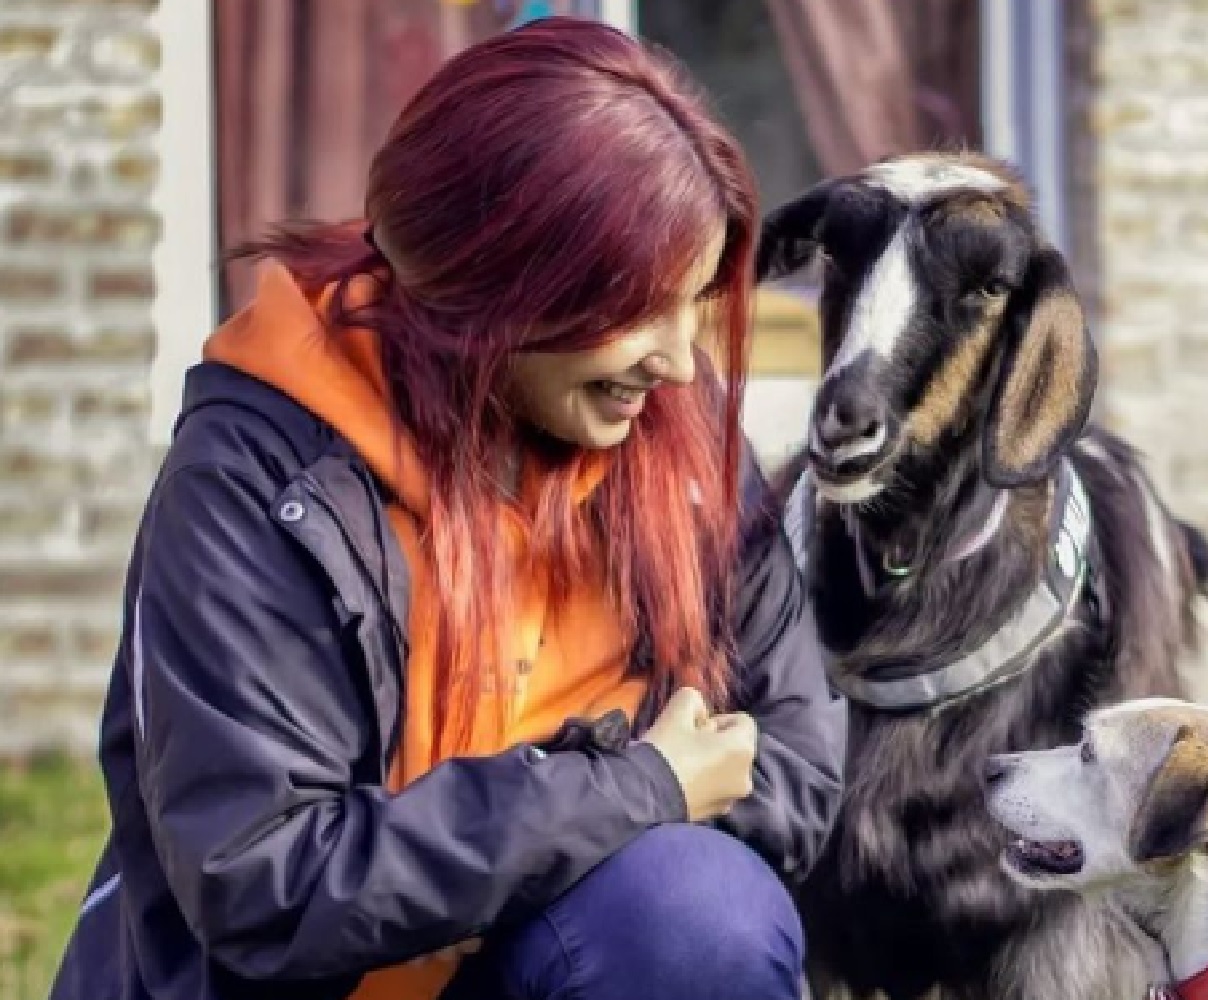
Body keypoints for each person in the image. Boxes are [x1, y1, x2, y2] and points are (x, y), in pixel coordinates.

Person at [49, 18, 844, 1000]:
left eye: (695, 303)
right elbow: (264, 878)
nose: (681, 360)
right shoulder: (258, 480)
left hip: (553, 967)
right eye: (638, 308)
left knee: (690, 919)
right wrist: (631, 787)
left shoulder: (685, 442)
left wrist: (579, 835)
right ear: (493, 282)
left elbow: (798, 768)